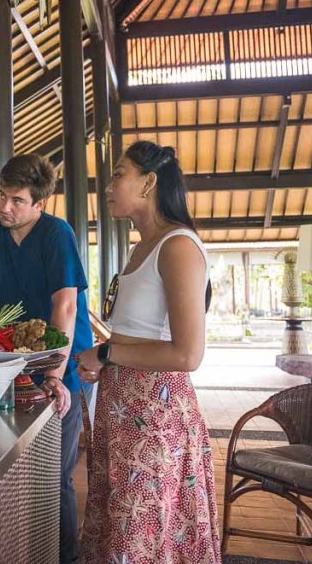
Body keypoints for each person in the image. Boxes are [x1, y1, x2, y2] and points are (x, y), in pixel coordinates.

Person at [76, 140, 219, 563]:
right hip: (122, 411)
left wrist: (105, 355)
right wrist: (105, 356)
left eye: (119, 174)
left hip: (156, 420)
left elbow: (187, 354)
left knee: (141, 535)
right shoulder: (140, 248)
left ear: (149, 182)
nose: (108, 185)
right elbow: (136, 335)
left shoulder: (177, 246)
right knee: (120, 529)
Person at [0, 153, 94, 564]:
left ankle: (63, 559)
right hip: (6, 365)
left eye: (16, 200)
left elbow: (65, 309)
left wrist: (54, 374)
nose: (4, 207)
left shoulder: (57, 234)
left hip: (63, 364)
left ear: (40, 204)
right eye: (2, 196)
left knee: (53, 478)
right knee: (4, 468)